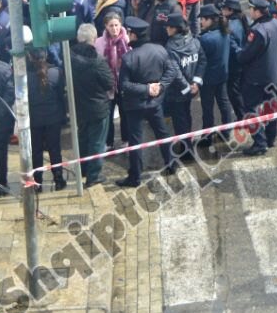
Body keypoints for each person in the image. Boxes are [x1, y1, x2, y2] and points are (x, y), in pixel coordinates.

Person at [117, 17, 177, 183]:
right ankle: (171, 163)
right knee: (162, 134)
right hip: (155, 103)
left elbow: (124, 85)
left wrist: (146, 89)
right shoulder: (160, 50)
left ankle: (135, 176)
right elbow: (171, 71)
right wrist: (160, 87)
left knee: (135, 141)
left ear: (133, 35)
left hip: (134, 105)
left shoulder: (129, 58)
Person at [237, 0, 277, 155]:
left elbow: (246, 55)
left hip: (257, 78)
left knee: (249, 108)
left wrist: (237, 51)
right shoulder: (276, 23)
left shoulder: (257, 31)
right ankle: (270, 139)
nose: (250, 12)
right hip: (274, 75)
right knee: (271, 107)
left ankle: (259, 142)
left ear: (257, 12)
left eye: (251, 9)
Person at [72, 24, 116, 188]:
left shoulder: (69, 56)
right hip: (98, 108)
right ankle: (93, 175)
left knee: (83, 138)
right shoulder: (97, 61)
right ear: (94, 39)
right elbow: (109, 82)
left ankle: (83, 169)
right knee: (97, 142)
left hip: (78, 106)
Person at [160, 11, 203, 161]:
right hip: (191, 89)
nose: (166, 29)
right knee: (187, 116)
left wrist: (186, 88)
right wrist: (195, 84)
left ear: (175, 28)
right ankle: (188, 145)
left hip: (177, 92)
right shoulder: (194, 41)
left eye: (169, 27)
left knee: (180, 121)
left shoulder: (170, 48)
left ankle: (186, 151)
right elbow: (202, 61)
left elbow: (175, 72)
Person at [26, 48, 68, 191]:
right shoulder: (56, 72)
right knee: (54, 149)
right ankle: (58, 179)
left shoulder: (26, 76)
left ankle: (38, 182)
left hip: (34, 118)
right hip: (53, 116)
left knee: (36, 151)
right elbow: (61, 94)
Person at [196, 5, 235, 143]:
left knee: (207, 108)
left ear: (210, 20)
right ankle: (226, 132)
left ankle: (207, 137)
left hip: (208, 79)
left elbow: (200, 60)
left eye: (203, 19)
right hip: (222, 75)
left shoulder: (205, 39)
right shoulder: (225, 33)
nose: (201, 22)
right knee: (224, 104)